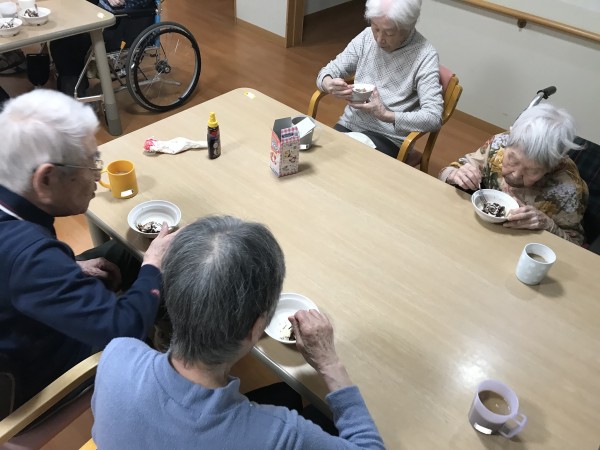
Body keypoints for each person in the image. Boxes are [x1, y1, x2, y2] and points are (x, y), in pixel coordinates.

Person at [92, 216, 385, 449]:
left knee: (286, 393)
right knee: (317, 413)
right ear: (256, 328)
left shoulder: (116, 354)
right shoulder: (278, 434)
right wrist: (329, 363)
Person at [0, 89, 175, 411]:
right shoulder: (30, 258)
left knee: (124, 255)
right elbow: (122, 330)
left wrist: (66, 268)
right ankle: (169, 388)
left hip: (21, 323)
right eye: (91, 163)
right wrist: (154, 264)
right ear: (46, 179)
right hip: (42, 377)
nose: (98, 175)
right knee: (150, 266)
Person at [438, 103, 589, 245]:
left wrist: (548, 225)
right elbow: (447, 172)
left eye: (532, 171)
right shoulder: (499, 144)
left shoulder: (569, 188)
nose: (516, 175)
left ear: (553, 167)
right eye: (513, 160)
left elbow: (575, 244)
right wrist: (454, 175)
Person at [316, 0, 443, 158]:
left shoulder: (425, 56)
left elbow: (433, 117)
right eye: (375, 28)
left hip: (389, 138)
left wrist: (386, 115)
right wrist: (328, 83)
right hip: (350, 124)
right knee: (322, 159)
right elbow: (327, 71)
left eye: (389, 33)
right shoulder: (366, 37)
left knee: (347, 163)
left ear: (408, 27)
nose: (379, 39)